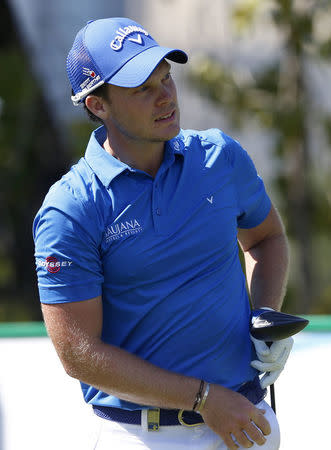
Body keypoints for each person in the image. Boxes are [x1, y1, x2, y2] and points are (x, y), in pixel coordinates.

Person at [33, 17, 293, 450]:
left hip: (247, 422)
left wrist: (263, 320)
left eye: (166, 77)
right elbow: (78, 354)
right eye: (143, 89)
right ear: (98, 105)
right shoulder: (71, 207)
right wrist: (205, 399)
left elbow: (268, 239)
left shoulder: (219, 157)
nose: (166, 96)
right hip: (138, 435)